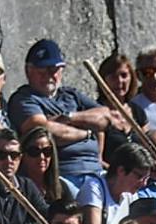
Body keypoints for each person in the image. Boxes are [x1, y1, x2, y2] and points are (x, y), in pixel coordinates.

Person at [9, 39, 117, 194]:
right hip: (65, 174)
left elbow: (106, 117)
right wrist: (86, 132)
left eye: (54, 70)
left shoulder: (71, 94)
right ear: (28, 71)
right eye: (42, 71)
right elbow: (43, 130)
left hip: (97, 170)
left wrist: (69, 117)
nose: (49, 76)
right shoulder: (24, 99)